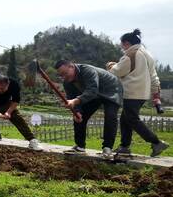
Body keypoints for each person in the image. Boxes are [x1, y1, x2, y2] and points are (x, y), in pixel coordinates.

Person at [106, 29, 169, 157]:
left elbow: (117, 71)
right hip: (142, 94)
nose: (122, 48)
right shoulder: (147, 55)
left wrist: (111, 65)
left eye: (122, 45)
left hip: (131, 93)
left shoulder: (131, 55)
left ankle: (156, 142)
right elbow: (154, 76)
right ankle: (124, 146)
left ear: (127, 43)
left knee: (132, 119)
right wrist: (155, 93)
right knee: (125, 119)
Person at [54, 60, 123, 157]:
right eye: (61, 75)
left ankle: (107, 148)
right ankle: (80, 146)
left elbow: (92, 91)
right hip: (94, 96)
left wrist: (75, 101)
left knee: (110, 116)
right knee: (79, 116)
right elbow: (72, 98)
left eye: (65, 73)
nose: (64, 77)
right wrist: (76, 111)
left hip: (111, 90)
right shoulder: (67, 82)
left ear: (72, 66)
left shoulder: (87, 71)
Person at [0, 75, 43, 154]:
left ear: (8, 85)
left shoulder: (14, 85)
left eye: (2, 88)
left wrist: (8, 112)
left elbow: (16, 101)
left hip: (6, 104)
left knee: (18, 119)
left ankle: (32, 141)